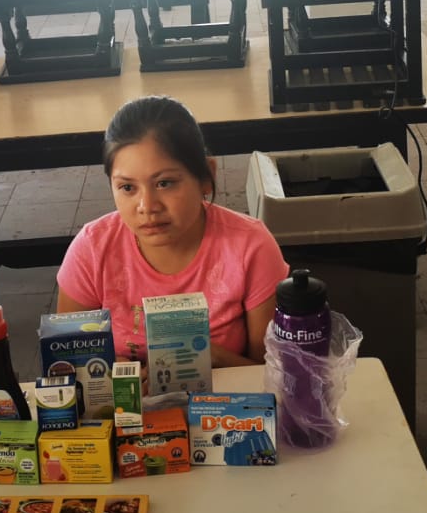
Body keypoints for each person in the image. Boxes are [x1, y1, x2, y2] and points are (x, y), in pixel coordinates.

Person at [56, 96, 286, 367]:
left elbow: (269, 374)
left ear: (206, 177)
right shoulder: (92, 250)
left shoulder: (251, 247)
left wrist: (209, 358)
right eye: (127, 188)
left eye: (165, 183)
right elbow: (67, 360)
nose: (147, 207)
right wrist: (114, 372)